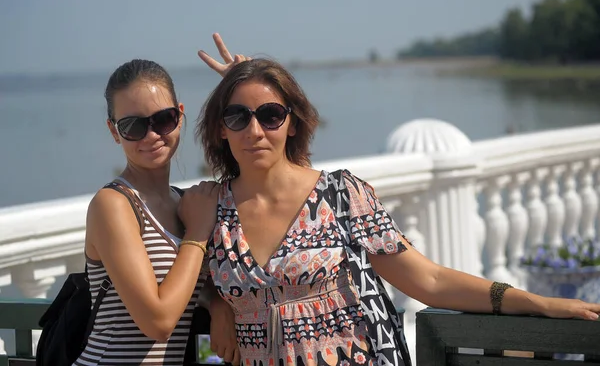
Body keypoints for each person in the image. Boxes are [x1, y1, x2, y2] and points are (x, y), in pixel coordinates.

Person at [184, 44, 600, 366]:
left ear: (292, 122)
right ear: (221, 128)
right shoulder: (208, 208)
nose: (254, 129)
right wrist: (217, 302)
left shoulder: (340, 196)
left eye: (271, 115)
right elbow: (182, 278)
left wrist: (536, 302)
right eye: (238, 117)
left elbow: (429, 280)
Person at [74, 58, 239, 365]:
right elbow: (158, 322)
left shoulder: (184, 204)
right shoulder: (114, 205)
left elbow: (182, 287)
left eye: (163, 119)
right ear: (113, 131)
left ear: (179, 115)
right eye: (133, 126)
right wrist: (198, 233)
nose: (151, 136)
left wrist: (217, 304)